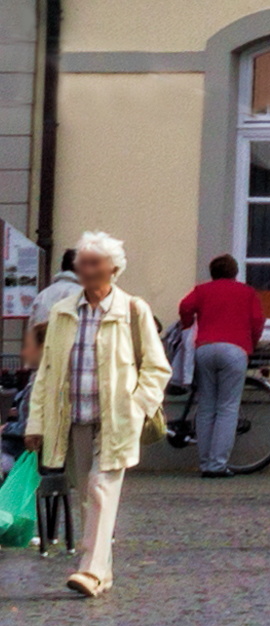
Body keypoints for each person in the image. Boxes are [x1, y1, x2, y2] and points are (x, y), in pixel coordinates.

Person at [22, 232, 165, 598]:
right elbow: (48, 372)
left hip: (116, 419)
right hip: (74, 418)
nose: (84, 270)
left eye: (93, 263)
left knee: (100, 488)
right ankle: (102, 572)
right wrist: (36, 423)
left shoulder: (133, 310)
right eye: (81, 263)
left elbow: (156, 367)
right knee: (87, 493)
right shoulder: (63, 311)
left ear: (112, 269)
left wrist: (137, 406)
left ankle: (88, 570)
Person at [169, 251, 270, 478]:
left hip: (204, 348)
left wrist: (188, 328)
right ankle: (217, 465)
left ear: (212, 273)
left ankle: (205, 462)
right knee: (227, 408)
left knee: (206, 407)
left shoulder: (203, 290)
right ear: (235, 272)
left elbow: (185, 307)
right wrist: (250, 344)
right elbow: (257, 321)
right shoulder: (247, 292)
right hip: (235, 349)